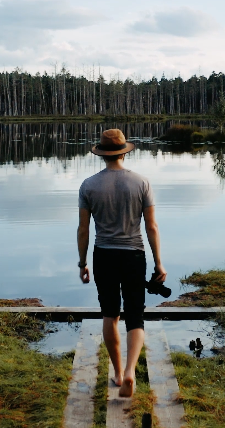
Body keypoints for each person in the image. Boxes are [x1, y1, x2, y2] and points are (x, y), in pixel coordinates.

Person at [77, 128, 166, 398]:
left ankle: (116, 373)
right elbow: (151, 226)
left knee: (110, 314)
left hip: (103, 255)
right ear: (124, 152)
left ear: (102, 154)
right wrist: (159, 263)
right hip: (134, 255)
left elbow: (83, 229)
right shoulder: (141, 183)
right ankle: (130, 372)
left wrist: (82, 263)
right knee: (135, 316)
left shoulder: (89, 185)